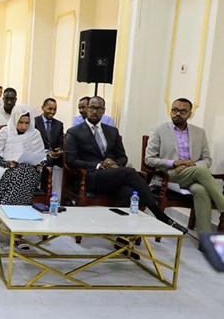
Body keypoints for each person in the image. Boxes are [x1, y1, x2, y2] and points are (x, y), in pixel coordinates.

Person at [65, 96, 187, 233]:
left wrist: (115, 164)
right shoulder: (74, 132)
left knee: (130, 193)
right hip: (90, 177)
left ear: (103, 111)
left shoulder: (112, 131)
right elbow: (71, 160)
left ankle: (122, 236)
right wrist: (99, 165)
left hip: (113, 177)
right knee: (130, 172)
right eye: (91, 108)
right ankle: (159, 214)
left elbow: (123, 157)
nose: (94, 111)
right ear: (87, 109)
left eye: (98, 108)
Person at [145, 98, 224, 238]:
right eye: (174, 110)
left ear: (190, 114)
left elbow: (207, 159)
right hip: (169, 175)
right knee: (200, 171)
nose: (177, 114)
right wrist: (174, 163)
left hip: (192, 174)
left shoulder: (199, 132)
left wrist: (190, 165)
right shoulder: (159, 130)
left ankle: (205, 240)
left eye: (182, 111)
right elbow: (149, 159)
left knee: (200, 190)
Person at [0, 105, 46, 223]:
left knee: (24, 171)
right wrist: (7, 163)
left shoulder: (35, 134)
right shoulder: (5, 132)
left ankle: (2, 215)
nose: (23, 126)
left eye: (27, 123)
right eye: (20, 122)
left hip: (31, 172)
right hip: (6, 169)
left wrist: (40, 164)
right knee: (19, 174)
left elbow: (42, 156)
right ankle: (15, 219)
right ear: (15, 119)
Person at [34, 97, 64, 166]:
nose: (52, 112)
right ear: (43, 108)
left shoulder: (59, 125)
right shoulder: (34, 122)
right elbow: (32, 144)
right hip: (39, 156)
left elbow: (61, 143)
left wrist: (59, 150)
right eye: (50, 109)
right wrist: (46, 152)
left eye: (55, 109)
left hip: (55, 157)